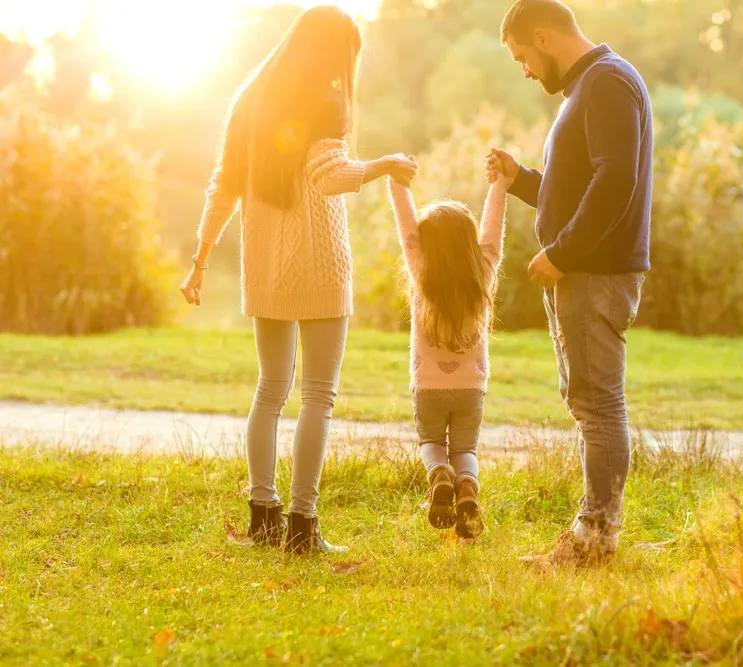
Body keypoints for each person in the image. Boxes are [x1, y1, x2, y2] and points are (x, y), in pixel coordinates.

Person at [179, 5, 418, 554]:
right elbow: (330, 176)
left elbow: (224, 188)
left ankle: (262, 518)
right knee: (318, 396)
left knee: (269, 391)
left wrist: (200, 260)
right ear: (335, 52)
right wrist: (385, 165)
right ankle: (302, 528)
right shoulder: (327, 99)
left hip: (264, 263)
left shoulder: (251, 99)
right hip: (319, 261)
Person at [486, 0, 653, 567]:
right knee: (588, 400)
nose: (526, 71)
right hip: (585, 270)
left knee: (598, 404)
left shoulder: (605, 82)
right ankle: (593, 533)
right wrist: (521, 181)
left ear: (543, 37)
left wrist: (560, 254)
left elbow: (615, 182)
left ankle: (595, 538)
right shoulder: (591, 86)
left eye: (522, 58)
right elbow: (576, 185)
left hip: (594, 273)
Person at [386, 158, 510, 539]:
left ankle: (439, 476)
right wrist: (500, 185)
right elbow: (491, 236)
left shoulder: (422, 271)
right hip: (471, 387)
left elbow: (408, 233)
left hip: (428, 385)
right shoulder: (482, 272)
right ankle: (467, 487)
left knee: (431, 443)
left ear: (427, 245)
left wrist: (397, 184)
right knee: (465, 449)